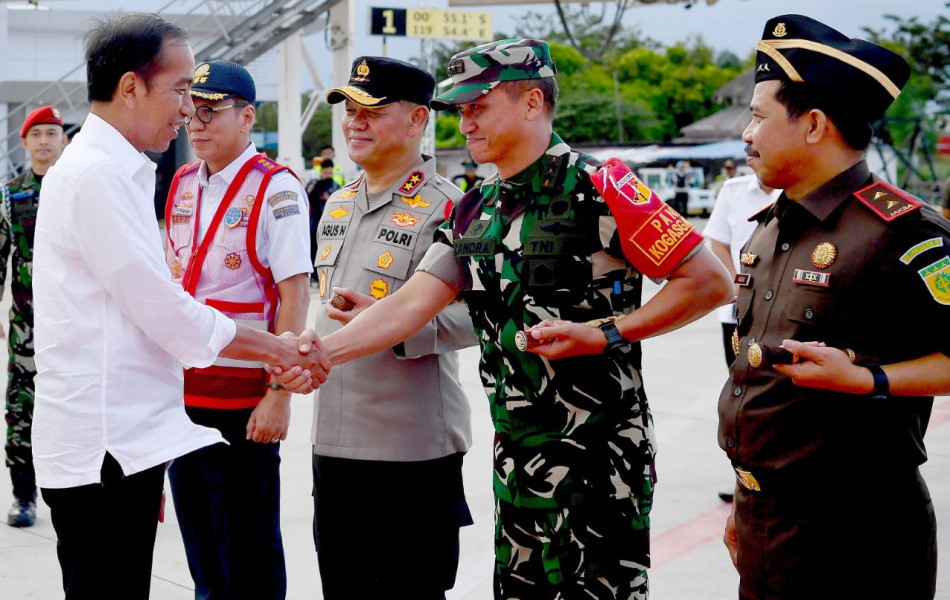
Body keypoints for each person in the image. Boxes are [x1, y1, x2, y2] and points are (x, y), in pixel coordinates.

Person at [288, 39, 732, 599]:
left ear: (531, 103)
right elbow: (411, 303)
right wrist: (320, 352)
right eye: (461, 110)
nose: (465, 124)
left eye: (478, 107)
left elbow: (709, 282)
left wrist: (605, 334)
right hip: (517, 464)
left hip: (600, 463)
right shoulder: (475, 208)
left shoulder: (603, 187)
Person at [31, 14, 326, 599]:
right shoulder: (98, 176)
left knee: (243, 548)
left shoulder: (125, 172)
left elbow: (284, 286)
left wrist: (275, 382)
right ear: (131, 88)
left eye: (204, 101)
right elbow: (162, 307)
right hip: (107, 446)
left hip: (147, 428)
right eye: (182, 91)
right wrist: (282, 351)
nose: (189, 111)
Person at [719, 14, 943, 600]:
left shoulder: (903, 232)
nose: (746, 134)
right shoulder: (770, 226)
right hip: (766, 520)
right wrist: (745, 501)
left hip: (859, 535)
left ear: (814, 124)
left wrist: (869, 379)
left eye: (759, 117)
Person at [310, 55, 477, 600]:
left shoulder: (453, 209)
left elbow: (480, 315)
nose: (354, 123)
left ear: (417, 120)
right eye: (349, 110)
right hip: (334, 447)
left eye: (372, 111)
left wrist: (397, 329)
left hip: (411, 454)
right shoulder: (336, 205)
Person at [164, 59, 312, 600]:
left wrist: (278, 393)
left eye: (211, 112)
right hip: (185, 396)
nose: (196, 124)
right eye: (192, 112)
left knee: (249, 547)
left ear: (248, 117)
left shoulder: (276, 189)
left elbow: (295, 295)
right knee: (202, 545)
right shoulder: (183, 182)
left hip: (245, 402)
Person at [1, 106, 67, 528]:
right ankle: (23, 495)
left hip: (73, 324)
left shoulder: (78, 187)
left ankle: (71, 493)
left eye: (52, 134)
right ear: (24, 142)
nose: (44, 141)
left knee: (71, 406)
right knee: (21, 405)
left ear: (64, 140)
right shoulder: (10, 195)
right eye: (37, 134)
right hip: (26, 324)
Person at [704, 174, 780, 503]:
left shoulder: (796, 188)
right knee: (743, 397)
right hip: (737, 313)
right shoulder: (733, 190)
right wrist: (738, 285)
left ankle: (777, 475)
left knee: (778, 399)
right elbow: (718, 242)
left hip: (781, 311)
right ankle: (746, 478)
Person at [305, 158, 340, 266]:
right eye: (326, 173)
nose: (328, 175)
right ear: (321, 172)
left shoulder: (336, 187)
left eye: (330, 173)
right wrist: (311, 191)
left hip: (330, 227)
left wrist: (328, 199)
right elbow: (306, 200)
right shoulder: (314, 185)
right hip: (314, 226)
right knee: (314, 253)